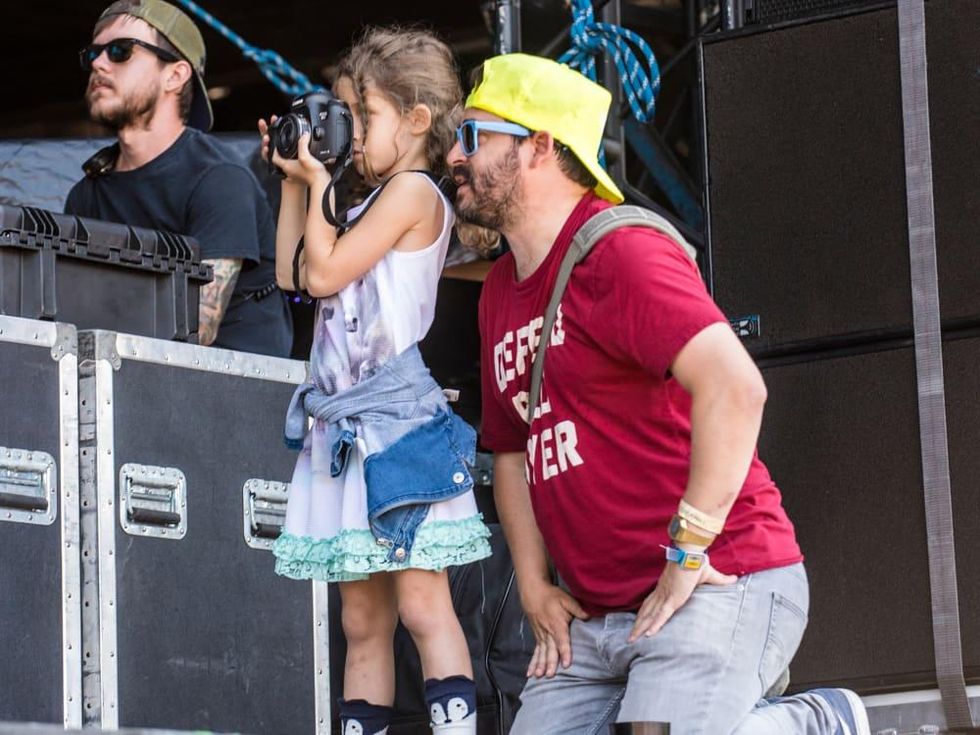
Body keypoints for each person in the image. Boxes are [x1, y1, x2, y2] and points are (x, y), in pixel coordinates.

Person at [449, 52, 871, 735]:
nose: (453, 155)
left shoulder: (621, 253)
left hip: (720, 575)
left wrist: (687, 550)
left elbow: (736, 389)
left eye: (473, 136)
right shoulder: (499, 289)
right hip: (595, 612)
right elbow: (509, 453)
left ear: (540, 146)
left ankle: (811, 725)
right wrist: (531, 584)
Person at [259, 28, 492, 735]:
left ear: (416, 119)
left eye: (360, 117)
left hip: (395, 425)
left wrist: (322, 182)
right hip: (341, 431)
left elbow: (326, 273)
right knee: (361, 620)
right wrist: (296, 182)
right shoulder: (360, 203)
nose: (348, 135)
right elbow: (293, 274)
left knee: (424, 605)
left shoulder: (416, 193)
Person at [66, 0, 293, 357]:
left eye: (120, 51)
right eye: (92, 54)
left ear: (175, 75)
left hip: (228, 399)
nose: (98, 63)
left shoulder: (219, 179)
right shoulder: (88, 192)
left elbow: (195, 330)